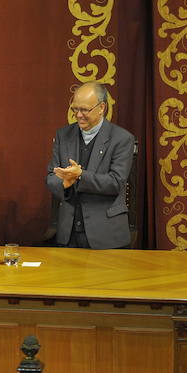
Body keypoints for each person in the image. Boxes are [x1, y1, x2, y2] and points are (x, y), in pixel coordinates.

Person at [46, 81, 135, 249]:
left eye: (84, 110)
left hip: (106, 235)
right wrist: (64, 184)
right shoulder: (63, 135)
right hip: (68, 234)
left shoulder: (122, 139)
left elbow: (116, 182)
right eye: (75, 109)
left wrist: (80, 176)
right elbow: (51, 176)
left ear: (101, 108)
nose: (78, 115)